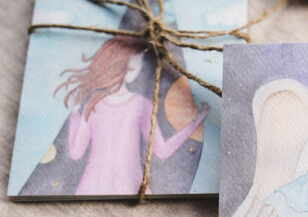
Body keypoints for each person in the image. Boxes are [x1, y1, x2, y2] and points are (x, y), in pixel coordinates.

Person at [55, 36, 208, 195]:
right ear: (122, 64)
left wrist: (75, 115)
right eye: (137, 62)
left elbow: (75, 153)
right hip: (121, 191)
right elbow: (162, 151)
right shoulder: (134, 104)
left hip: (95, 190)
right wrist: (194, 123)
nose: (139, 67)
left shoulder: (94, 105)